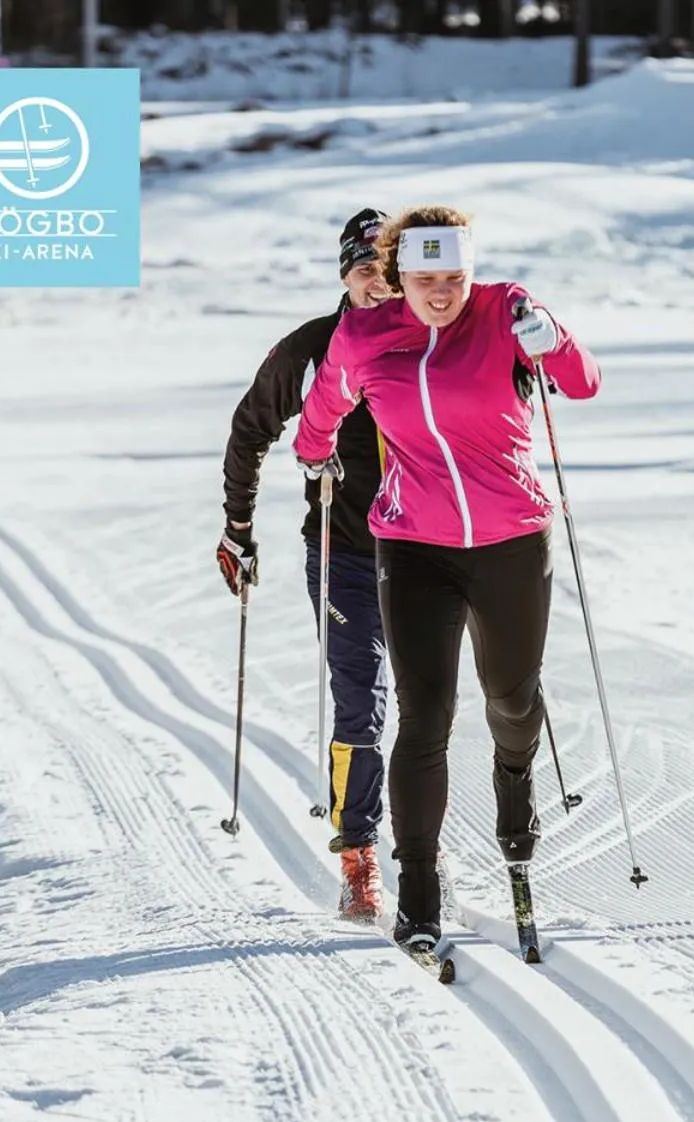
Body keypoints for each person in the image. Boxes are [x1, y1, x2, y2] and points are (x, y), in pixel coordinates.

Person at [292, 205, 601, 955]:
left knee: (512, 701)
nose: (441, 293)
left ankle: (514, 799)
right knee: (425, 719)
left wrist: (551, 340)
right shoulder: (365, 335)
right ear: (397, 274)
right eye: (426, 278)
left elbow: (581, 383)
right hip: (414, 550)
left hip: (512, 544)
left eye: (455, 278)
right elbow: (322, 408)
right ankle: (420, 889)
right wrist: (314, 450)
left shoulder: (505, 310)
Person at [217, 207, 395, 921]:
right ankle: (359, 855)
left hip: (432, 555)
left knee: (429, 706)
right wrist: (238, 527)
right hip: (345, 552)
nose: (379, 288)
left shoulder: (435, 341)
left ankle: (417, 836)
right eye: (364, 274)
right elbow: (251, 427)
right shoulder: (315, 347)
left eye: (390, 275)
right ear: (345, 276)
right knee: (363, 702)